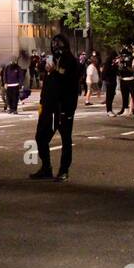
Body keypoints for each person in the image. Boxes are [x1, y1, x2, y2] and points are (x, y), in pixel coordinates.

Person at [31, 34, 81, 182]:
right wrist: (42, 103)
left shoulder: (71, 62)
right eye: (54, 44)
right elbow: (47, 84)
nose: (56, 47)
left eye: (58, 44)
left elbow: (70, 82)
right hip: (49, 106)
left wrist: (56, 71)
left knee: (65, 138)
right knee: (41, 137)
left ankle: (64, 170)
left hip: (64, 107)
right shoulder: (51, 61)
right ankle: (46, 167)